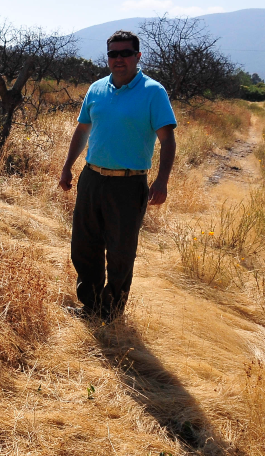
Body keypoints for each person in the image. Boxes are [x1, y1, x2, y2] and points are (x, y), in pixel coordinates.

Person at [58, 30, 177, 321]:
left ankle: (111, 314)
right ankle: (92, 306)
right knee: (84, 247)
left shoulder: (153, 92)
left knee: (121, 253)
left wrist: (161, 180)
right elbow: (83, 129)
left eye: (125, 53)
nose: (119, 59)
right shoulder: (97, 89)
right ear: (108, 57)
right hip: (92, 178)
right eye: (113, 53)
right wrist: (67, 166)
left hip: (128, 183)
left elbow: (167, 139)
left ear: (137, 56)